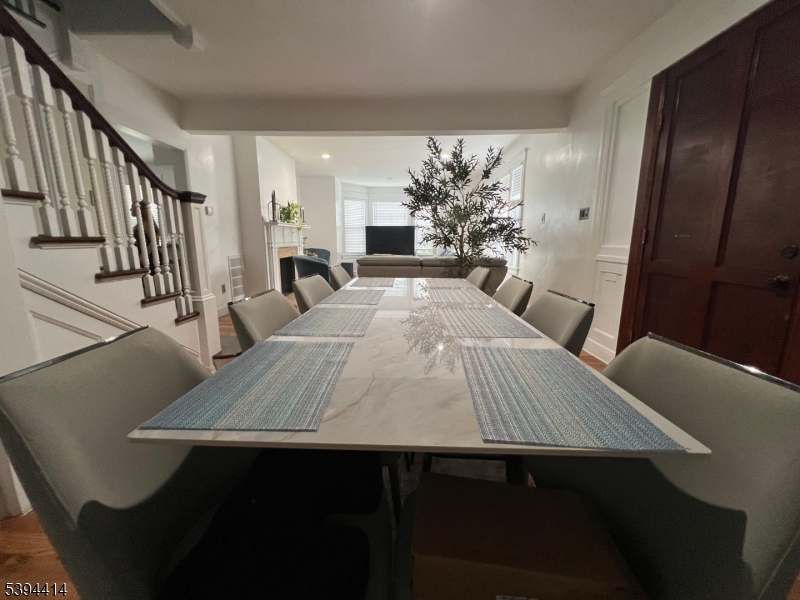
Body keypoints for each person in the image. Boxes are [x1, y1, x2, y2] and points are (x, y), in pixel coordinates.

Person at [131, 201, 161, 275]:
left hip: (149, 256)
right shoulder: (140, 224)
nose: (130, 209)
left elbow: (154, 241)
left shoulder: (145, 223)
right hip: (145, 255)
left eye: (132, 207)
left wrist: (143, 255)